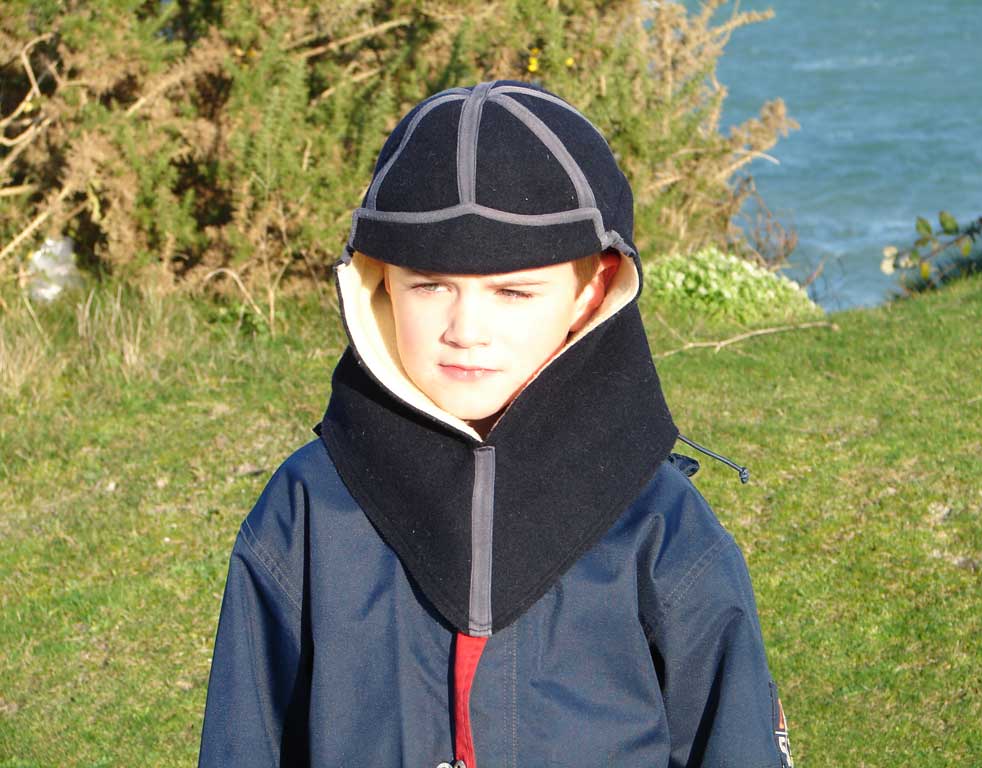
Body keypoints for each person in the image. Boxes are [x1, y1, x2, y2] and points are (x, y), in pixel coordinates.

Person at [198, 80, 793, 768]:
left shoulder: (662, 524)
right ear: (379, 279)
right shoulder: (306, 509)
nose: (466, 330)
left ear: (592, 289)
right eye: (429, 284)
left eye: (512, 291)